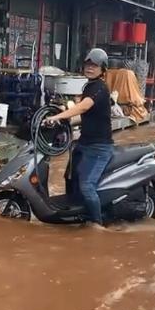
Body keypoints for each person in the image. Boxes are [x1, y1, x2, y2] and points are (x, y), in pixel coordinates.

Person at [45, 48, 114, 225]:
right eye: (88, 64)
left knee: (87, 186)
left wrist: (58, 117)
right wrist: (62, 116)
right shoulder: (89, 86)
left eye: (95, 65)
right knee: (70, 176)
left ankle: (96, 223)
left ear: (102, 69)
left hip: (99, 147)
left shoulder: (99, 88)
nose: (90, 68)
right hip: (84, 143)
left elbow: (83, 107)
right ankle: (76, 209)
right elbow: (83, 114)